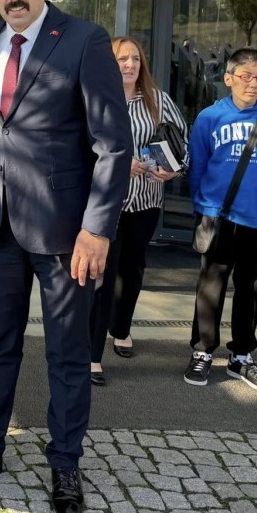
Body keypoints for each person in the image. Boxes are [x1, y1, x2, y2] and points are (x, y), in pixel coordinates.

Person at [0, 0, 132, 513]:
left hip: (66, 233)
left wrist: (97, 229)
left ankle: (66, 462)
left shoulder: (84, 40)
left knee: (68, 353)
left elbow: (113, 144)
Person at [183, 46, 257, 392]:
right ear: (229, 78)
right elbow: (197, 170)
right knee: (211, 287)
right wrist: (202, 211)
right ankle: (202, 351)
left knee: (251, 289)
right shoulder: (209, 117)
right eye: (245, 76)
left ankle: (241, 356)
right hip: (219, 217)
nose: (253, 83)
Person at [88, 36, 187, 385]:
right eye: (122, 59)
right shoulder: (96, 98)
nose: (129, 65)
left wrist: (174, 170)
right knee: (103, 273)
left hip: (145, 202)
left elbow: (182, 144)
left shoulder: (158, 100)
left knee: (132, 270)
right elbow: (81, 145)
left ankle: (121, 329)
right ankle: (92, 355)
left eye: (135, 59)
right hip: (105, 202)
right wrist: (117, 163)